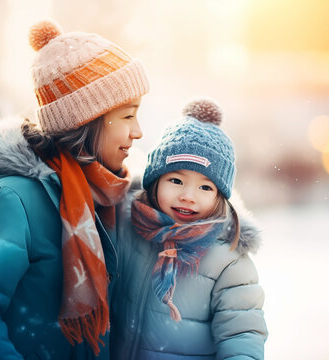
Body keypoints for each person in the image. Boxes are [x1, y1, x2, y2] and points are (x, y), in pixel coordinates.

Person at [0, 19, 149, 359]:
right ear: (87, 120)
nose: (138, 132)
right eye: (127, 116)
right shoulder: (12, 199)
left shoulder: (105, 199)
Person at [111, 99, 268, 359]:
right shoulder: (124, 226)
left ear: (220, 197)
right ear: (155, 182)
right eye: (176, 180)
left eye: (205, 187)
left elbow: (241, 334)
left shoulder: (229, 261)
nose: (188, 196)